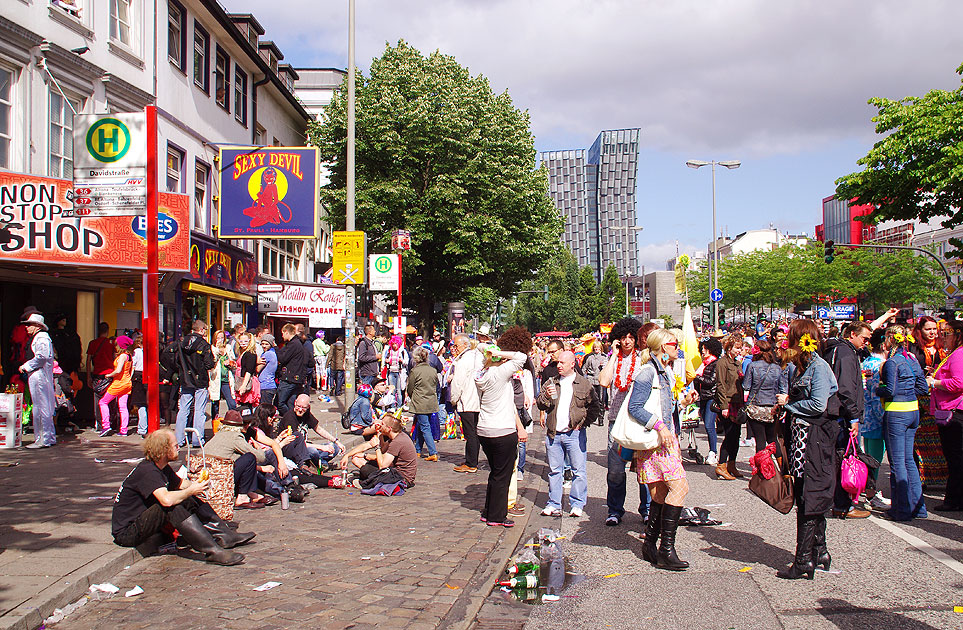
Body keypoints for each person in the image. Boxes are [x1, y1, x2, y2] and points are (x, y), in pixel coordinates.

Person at [111, 429, 254, 564]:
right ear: (163, 450)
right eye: (175, 446)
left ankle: (224, 534)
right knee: (173, 506)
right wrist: (191, 490)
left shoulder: (161, 467)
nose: (179, 448)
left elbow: (180, 484)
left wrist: (197, 485)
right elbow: (166, 500)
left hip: (143, 521)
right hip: (128, 533)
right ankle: (212, 551)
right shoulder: (148, 471)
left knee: (186, 497)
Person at [775, 319, 839, 580]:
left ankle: (803, 560)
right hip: (803, 439)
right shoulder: (803, 366)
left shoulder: (818, 367)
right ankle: (819, 551)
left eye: (791, 338)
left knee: (809, 496)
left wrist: (789, 403)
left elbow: (817, 405)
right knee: (807, 494)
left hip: (813, 440)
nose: (787, 343)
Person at [627, 328, 690, 571]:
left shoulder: (665, 371)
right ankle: (666, 549)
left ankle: (651, 544)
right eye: (675, 344)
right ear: (664, 347)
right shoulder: (648, 372)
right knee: (680, 487)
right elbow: (635, 407)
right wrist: (659, 426)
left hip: (665, 439)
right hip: (656, 441)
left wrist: (683, 403)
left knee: (661, 493)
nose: (678, 348)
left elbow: (663, 407)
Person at [598, 318, 653, 527]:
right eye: (623, 337)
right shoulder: (613, 359)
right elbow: (604, 381)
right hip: (616, 421)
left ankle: (647, 509)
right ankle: (614, 510)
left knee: (643, 468)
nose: (627, 341)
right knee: (615, 470)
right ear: (617, 339)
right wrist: (613, 355)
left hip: (638, 421)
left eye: (631, 337)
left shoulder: (643, 360)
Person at [475, 327, 530, 527]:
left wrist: (490, 350)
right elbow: (521, 357)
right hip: (502, 430)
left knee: (495, 472)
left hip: (484, 429)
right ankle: (497, 516)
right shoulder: (500, 373)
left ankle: (489, 510)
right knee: (503, 475)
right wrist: (500, 352)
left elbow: (479, 346)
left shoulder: (481, 374)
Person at [875, 325, 929, 521]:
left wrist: (876, 388)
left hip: (897, 414)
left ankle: (901, 510)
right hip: (913, 411)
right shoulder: (911, 359)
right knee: (909, 461)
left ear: (890, 340)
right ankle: (918, 508)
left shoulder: (892, 362)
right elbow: (923, 388)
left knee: (897, 463)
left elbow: (889, 390)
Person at [536, 350, 599, 518]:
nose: (559, 365)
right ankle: (554, 503)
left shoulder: (583, 384)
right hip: (554, 433)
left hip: (574, 434)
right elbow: (540, 404)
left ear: (572, 364)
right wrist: (546, 397)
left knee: (578, 471)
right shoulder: (552, 382)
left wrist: (583, 423)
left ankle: (577, 504)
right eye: (558, 362)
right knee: (555, 471)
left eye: (562, 363)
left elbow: (595, 406)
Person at [823, 320, 873, 519]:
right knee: (843, 460)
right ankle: (842, 505)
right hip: (841, 415)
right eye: (864, 338)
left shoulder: (839, 349)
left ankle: (839, 503)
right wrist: (853, 417)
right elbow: (845, 389)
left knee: (837, 460)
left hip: (835, 413)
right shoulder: (845, 353)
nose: (866, 343)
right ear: (852, 334)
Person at [928, 319, 963, 511]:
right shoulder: (955, 354)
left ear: (958, 335)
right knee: (954, 456)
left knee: (955, 457)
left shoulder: (959, 354)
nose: (943, 337)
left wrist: (935, 382)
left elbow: (959, 382)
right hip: (951, 410)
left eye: (947, 334)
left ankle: (954, 499)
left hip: (954, 412)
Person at [340, 416, 418, 487]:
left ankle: (362, 480)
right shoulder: (396, 436)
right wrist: (347, 455)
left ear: (389, 428)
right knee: (356, 459)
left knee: (365, 469)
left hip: (401, 478)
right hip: (394, 470)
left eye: (382, 424)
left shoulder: (397, 442)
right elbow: (372, 446)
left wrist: (376, 448)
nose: (379, 425)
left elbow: (382, 466)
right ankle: (364, 477)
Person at [861, 329, 890, 509]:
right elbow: (877, 394)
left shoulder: (866, 362)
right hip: (877, 416)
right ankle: (871, 494)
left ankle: (867, 490)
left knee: (869, 457)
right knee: (875, 459)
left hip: (866, 416)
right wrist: (883, 417)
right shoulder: (882, 365)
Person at [741, 338, 787, 453]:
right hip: (772, 407)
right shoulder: (777, 367)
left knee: (760, 439)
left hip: (755, 406)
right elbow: (783, 388)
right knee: (772, 439)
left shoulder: (752, 366)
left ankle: (761, 463)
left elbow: (746, 386)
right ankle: (780, 462)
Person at [175, 321, 216, 448]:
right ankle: (198, 439)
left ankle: (179, 439)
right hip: (200, 379)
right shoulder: (203, 344)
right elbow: (209, 364)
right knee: (199, 410)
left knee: (183, 409)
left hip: (186, 379)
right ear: (202, 330)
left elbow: (176, 360)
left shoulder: (182, 342)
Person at [20, 314, 57, 448]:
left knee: (41, 407)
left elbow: (42, 357)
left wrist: (26, 366)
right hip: (39, 375)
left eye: (29, 324)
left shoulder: (41, 338)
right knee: (42, 406)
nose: (26, 327)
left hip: (39, 375)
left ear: (37, 326)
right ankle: (47, 437)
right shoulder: (41, 338)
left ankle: (43, 438)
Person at [280, 394, 343, 468]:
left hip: (306, 446)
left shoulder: (306, 414)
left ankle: (319, 462)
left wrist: (336, 441)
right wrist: (321, 447)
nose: (300, 410)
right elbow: (295, 443)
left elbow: (318, 429)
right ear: (295, 402)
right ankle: (319, 464)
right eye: (298, 406)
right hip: (294, 449)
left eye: (303, 407)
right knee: (313, 451)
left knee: (334, 447)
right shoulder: (289, 418)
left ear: (308, 407)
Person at [714, 334, 746, 479]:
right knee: (729, 435)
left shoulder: (737, 363)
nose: (739, 350)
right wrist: (724, 406)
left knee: (736, 436)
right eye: (737, 348)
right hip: (728, 402)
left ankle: (732, 464)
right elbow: (720, 385)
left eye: (740, 348)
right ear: (729, 348)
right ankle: (721, 465)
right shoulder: (722, 363)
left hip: (737, 402)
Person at [450, 333, 482, 474]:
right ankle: (471, 459)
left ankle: (471, 463)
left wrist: (453, 399)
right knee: (475, 432)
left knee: (470, 434)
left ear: (464, 345)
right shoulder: (477, 357)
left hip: (467, 401)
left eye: (456, 345)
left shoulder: (463, 361)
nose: (454, 348)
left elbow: (458, 383)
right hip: (477, 401)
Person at [407, 347, 440, 461]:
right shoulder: (433, 370)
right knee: (422, 425)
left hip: (420, 402)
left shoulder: (415, 371)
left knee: (425, 427)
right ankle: (418, 450)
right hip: (431, 401)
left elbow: (410, 388)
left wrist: (412, 397)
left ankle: (433, 452)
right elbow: (436, 385)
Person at [694, 337, 723, 466]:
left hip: (711, 397)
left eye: (705, 348)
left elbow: (711, 381)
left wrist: (696, 377)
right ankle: (712, 451)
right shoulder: (704, 364)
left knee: (709, 426)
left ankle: (713, 452)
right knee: (707, 424)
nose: (703, 350)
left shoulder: (715, 363)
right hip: (704, 397)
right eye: (702, 348)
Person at [99, 335, 133, 437]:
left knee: (103, 402)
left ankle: (106, 426)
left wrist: (108, 375)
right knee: (123, 407)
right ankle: (124, 430)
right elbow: (131, 370)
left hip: (118, 383)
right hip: (127, 383)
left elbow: (118, 370)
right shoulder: (129, 355)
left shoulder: (122, 356)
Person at [86, 321, 115, 431]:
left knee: (98, 400)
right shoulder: (111, 343)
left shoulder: (92, 343)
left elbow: (88, 360)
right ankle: (111, 422)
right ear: (107, 331)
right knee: (110, 400)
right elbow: (115, 358)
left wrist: (88, 376)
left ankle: (100, 423)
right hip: (110, 375)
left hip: (97, 375)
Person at [275, 324, 306, 414]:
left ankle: (290, 417)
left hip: (289, 378)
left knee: (280, 403)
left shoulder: (294, 344)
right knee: (290, 403)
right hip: (295, 378)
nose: (282, 336)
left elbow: (282, 358)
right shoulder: (296, 343)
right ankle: (293, 419)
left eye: (282, 333)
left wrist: (276, 348)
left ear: (286, 332)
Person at [209, 330, 237, 420]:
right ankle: (215, 422)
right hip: (215, 379)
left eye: (222, 338)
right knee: (215, 404)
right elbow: (211, 363)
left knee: (232, 403)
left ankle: (232, 420)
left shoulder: (228, 347)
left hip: (226, 379)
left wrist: (230, 362)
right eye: (218, 338)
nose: (220, 340)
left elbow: (234, 363)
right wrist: (217, 351)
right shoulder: (212, 348)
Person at [233, 332, 260, 412]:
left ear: (250, 341)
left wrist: (243, 386)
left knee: (247, 407)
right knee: (243, 406)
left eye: (245, 341)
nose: (243, 343)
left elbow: (249, 371)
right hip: (241, 380)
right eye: (241, 341)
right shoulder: (242, 353)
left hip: (247, 382)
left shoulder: (250, 354)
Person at [381, 335, 409, 408]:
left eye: (396, 344)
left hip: (399, 372)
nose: (394, 345)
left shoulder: (402, 351)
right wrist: (386, 361)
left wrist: (402, 361)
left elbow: (407, 361)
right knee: (392, 390)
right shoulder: (389, 351)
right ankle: (392, 406)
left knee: (399, 390)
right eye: (393, 344)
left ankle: (399, 406)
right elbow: (384, 359)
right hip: (391, 372)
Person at [582, 341, 606, 426]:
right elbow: (584, 368)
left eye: (598, 347)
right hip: (591, 379)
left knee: (600, 400)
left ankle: (601, 418)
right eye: (595, 347)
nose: (596, 349)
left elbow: (608, 368)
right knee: (590, 399)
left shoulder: (604, 357)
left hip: (600, 380)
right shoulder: (590, 357)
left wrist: (603, 366)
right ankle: (590, 417)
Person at [129, 333, 148, 437]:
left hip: (137, 376)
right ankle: (145, 426)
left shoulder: (136, 352)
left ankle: (142, 428)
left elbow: (133, 365)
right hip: (147, 375)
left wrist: (130, 378)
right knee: (146, 403)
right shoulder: (149, 352)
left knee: (141, 404)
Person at [257, 333, 279, 408]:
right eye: (262, 343)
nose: (264, 346)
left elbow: (257, 369)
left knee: (264, 409)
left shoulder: (268, 354)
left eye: (266, 344)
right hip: (269, 385)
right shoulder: (272, 353)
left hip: (266, 385)